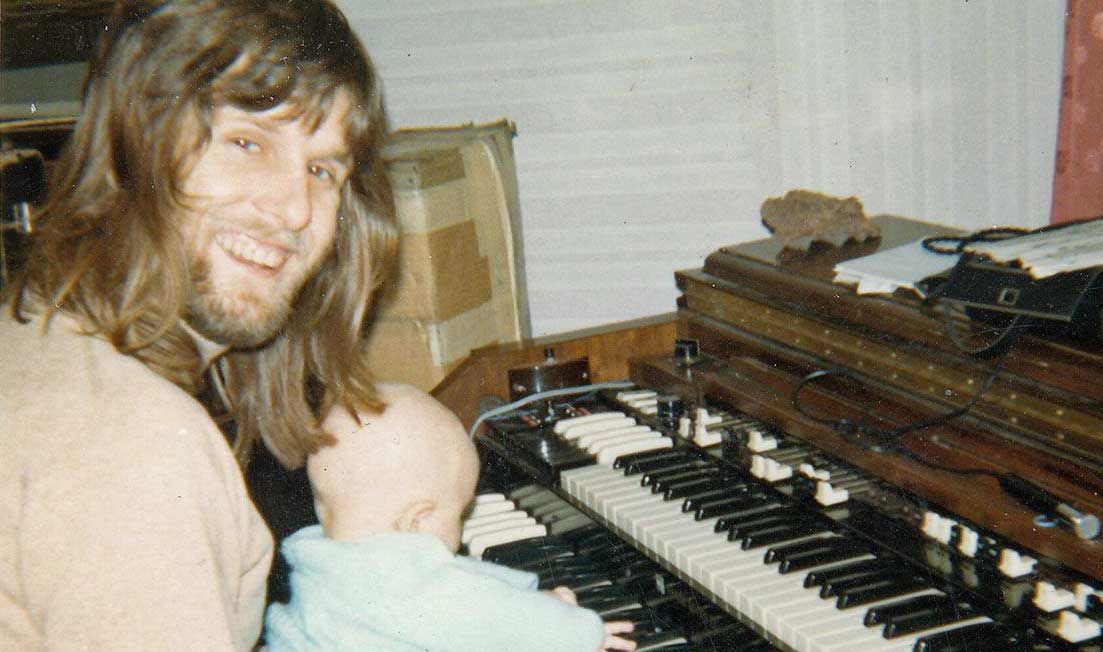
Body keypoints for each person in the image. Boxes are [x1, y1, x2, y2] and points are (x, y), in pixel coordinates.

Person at [1, 0, 396, 649]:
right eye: (247, 142)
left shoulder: (36, 336)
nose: (295, 209)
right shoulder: (137, 445)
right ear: (137, 144)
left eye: (322, 170)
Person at [264, 384, 638, 652]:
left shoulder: (323, 559)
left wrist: (535, 600)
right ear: (417, 521)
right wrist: (579, 633)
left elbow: (463, 586)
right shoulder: (405, 585)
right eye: (460, 513)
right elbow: (482, 613)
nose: (462, 524)